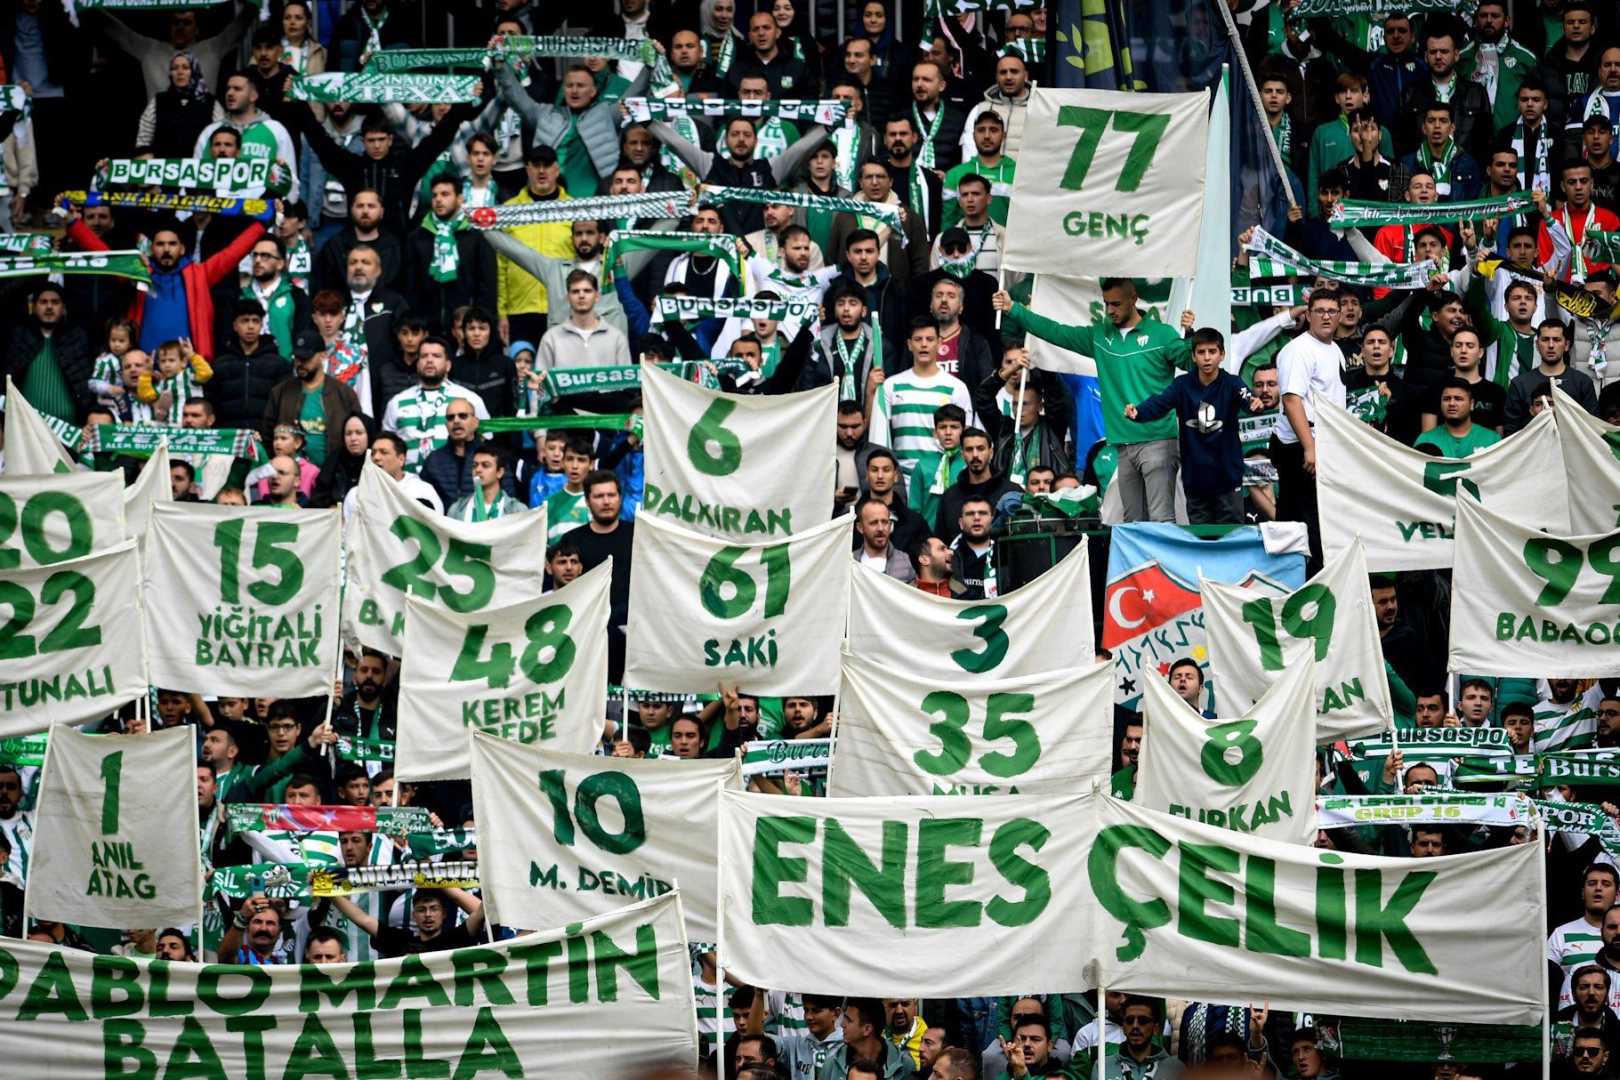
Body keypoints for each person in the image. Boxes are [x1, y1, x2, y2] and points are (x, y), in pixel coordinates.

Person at [995, 280, 1193, 523]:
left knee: (1162, 518)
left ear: (1134, 299)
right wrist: (1013, 308)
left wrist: (1191, 335)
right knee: (1132, 522)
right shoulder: (1099, 335)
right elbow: (1055, 331)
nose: (1110, 310)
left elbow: (1190, 363)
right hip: (1123, 444)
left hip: (1159, 439)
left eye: (1116, 304)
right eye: (1107, 303)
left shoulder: (1163, 334)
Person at [1272, 289, 1347, 570]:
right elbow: (1292, 400)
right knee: (1305, 526)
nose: (1326, 317)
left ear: (1340, 315)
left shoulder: (1334, 349)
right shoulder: (1298, 349)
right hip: (1299, 446)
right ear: (1308, 315)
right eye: (1319, 311)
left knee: (1317, 522)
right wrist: (1309, 447)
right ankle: (1306, 583)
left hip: (1324, 442)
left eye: (1332, 311)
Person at [869, 316, 977, 478]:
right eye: (918, 339)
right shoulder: (891, 385)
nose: (924, 344)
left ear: (939, 343)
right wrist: (870, 391)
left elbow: (966, 437)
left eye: (930, 339)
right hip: (902, 477)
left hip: (943, 477)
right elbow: (878, 430)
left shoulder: (956, 387)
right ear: (909, 344)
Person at [565, 471, 635, 682]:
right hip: (586, 631)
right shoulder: (572, 539)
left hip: (631, 633)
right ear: (587, 501)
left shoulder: (637, 535)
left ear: (620, 498)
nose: (606, 501)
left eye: (611, 495)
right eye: (599, 496)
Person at [380, 336, 488, 472]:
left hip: (452, 479)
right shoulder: (397, 402)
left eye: (436, 356)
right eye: (424, 356)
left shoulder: (469, 399)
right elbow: (387, 444)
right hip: (407, 480)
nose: (429, 360)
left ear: (448, 365)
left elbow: (484, 439)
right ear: (418, 365)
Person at [264, 338, 360, 470]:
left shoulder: (343, 393)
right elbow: (268, 435)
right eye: (297, 358)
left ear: (323, 356)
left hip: (334, 473)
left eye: (306, 358)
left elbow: (358, 432)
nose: (300, 363)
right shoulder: (281, 392)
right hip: (290, 475)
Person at [330, 887, 485, 956]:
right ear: (414, 915)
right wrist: (327, 890)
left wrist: (436, 877)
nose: (428, 915)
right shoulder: (400, 941)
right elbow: (362, 919)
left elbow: (481, 912)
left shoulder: (455, 939)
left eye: (434, 909)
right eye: (421, 910)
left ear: (444, 913)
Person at [1414, 377, 1502, 456]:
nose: (1451, 403)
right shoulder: (1426, 439)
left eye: (1458, 399)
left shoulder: (1492, 440)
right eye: (1446, 399)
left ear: (1471, 404)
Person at [447, 445, 527, 521]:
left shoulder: (518, 511)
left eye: (485, 465)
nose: (478, 470)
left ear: (500, 472)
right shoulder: (456, 510)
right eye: (474, 465)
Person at [854, 496, 916, 582]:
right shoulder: (849, 563)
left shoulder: (906, 562)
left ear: (890, 525)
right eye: (874, 523)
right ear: (860, 528)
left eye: (884, 522)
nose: (880, 528)